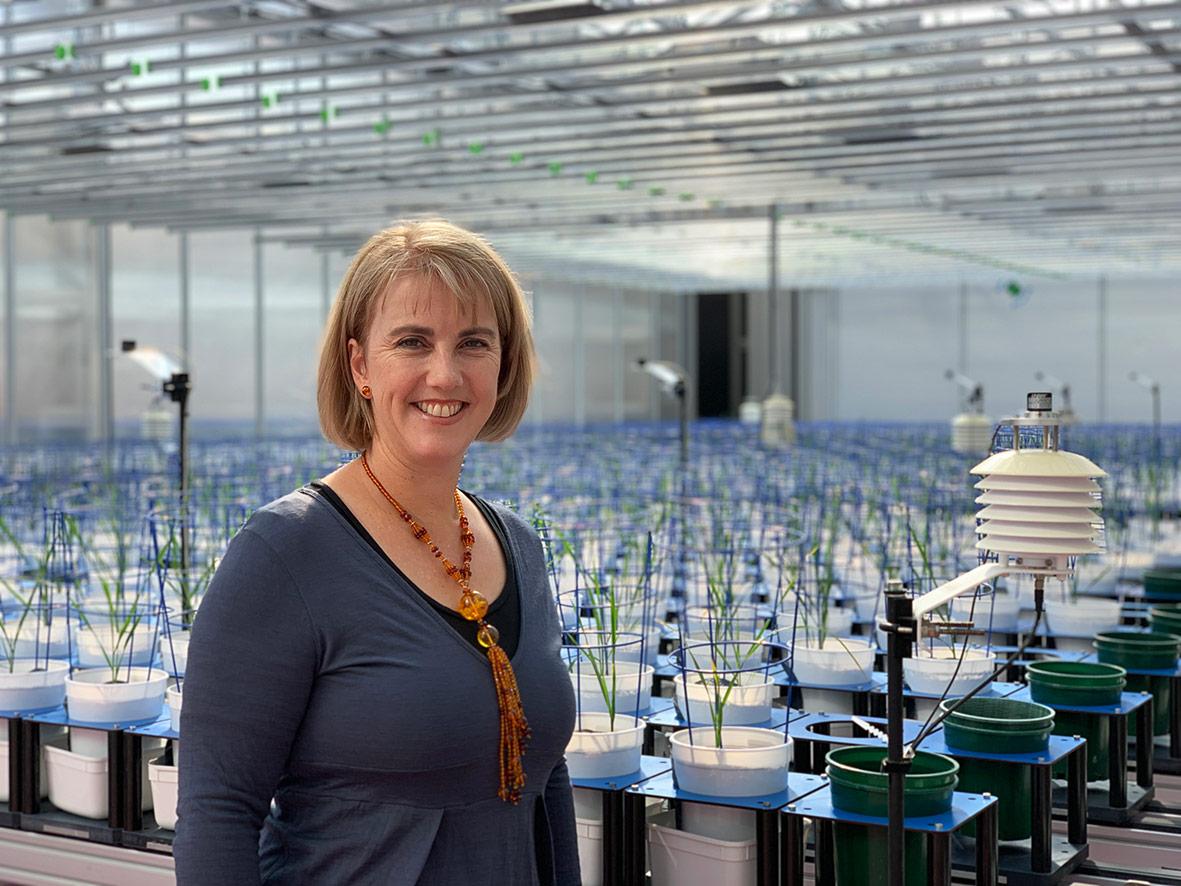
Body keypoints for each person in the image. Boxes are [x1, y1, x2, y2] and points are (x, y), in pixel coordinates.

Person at [174, 219, 579, 885]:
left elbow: (545, 780)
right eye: (412, 342)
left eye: (473, 343)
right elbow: (219, 810)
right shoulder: (286, 551)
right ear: (361, 365)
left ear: (502, 365)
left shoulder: (519, 547)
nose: (443, 374)